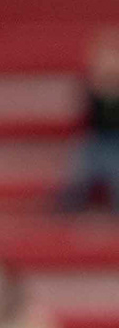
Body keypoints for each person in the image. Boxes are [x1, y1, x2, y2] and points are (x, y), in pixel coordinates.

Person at [53, 28, 119, 211]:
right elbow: (85, 118)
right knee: (79, 164)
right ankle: (67, 206)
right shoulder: (90, 86)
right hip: (95, 141)